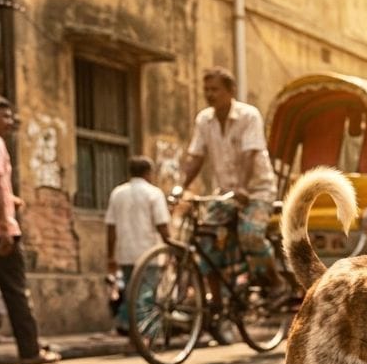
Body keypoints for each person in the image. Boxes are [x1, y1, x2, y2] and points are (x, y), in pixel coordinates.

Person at [179, 67, 288, 304]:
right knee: (205, 240)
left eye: (215, 89)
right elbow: (196, 156)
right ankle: (216, 301)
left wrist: (242, 188)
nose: (209, 94)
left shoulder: (249, 116)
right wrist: (181, 187)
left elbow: (250, 153)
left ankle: (275, 282)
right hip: (225, 193)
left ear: (230, 91)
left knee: (250, 235)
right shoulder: (204, 120)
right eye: (206, 90)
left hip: (257, 190)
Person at [0, 94, 60, 364]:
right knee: (16, 292)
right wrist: (5, 225)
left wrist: (9, 200)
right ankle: (30, 351)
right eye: (4, 116)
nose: (10, 121)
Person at [105, 156, 170, 335]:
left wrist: (110, 256)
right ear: (148, 173)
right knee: (145, 294)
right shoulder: (154, 193)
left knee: (130, 292)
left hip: (125, 253)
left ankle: (129, 327)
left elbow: (110, 227)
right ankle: (146, 333)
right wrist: (171, 245)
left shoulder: (117, 193)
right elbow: (162, 225)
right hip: (148, 252)